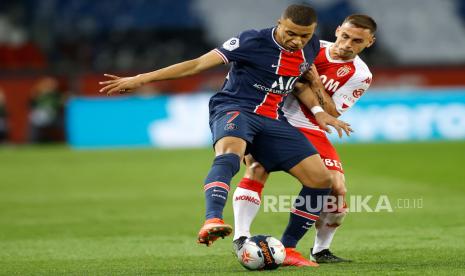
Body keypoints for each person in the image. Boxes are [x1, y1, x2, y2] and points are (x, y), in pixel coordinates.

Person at [99, 4, 352, 266]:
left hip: (273, 118)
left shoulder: (309, 49)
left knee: (321, 180)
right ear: (279, 23)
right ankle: (213, 219)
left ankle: (288, 249)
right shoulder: (251, 40)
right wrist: (141, 79)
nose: (297, 40)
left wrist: (319, 111)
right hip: (235, 108)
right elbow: (197, 64)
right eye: (291, 33)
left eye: (305, 35)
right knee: (231, 153)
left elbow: (297, 84)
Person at [231, 14, 376, 265]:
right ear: (338, 29)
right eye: (344, 36)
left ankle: (320, 250)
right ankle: (241, 236)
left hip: (313, 125)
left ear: (369, 42)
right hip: (275, 116)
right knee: (257, 166)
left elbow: (332, 113)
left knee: (336, 188)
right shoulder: (310, 46)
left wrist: (317, 82)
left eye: (357, 41)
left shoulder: (361, 75)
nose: (347, 45)